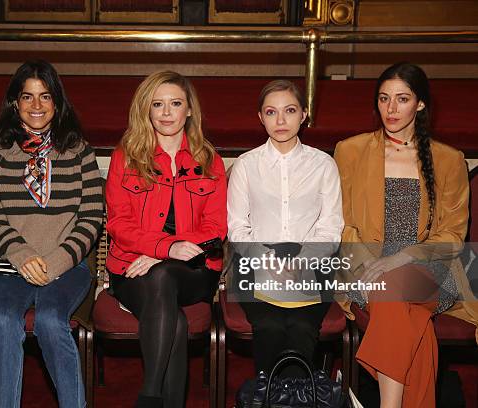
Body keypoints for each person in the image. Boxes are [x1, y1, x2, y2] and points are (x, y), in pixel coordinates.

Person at [334, 62, 478, 408]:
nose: (391, 109)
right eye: (384, 99)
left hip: (431, 268)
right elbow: (342, 221)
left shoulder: (448, 159)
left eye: (402, 99)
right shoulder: (351, 151)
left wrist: (402, 257)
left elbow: (453, 236)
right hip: (367, 264)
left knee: (396, 286)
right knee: (417, 328)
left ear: (421, 104)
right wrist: (378, 262)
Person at [0, 60, 104, 408]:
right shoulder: (0, 154)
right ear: (14, 103)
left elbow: (92, 215)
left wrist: (56, 260)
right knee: (3, 321)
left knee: (51, 320)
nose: (36, 106)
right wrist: (21, 256)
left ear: (57, 102)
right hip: (11, 264)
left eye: (45, 96)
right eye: (27, 97)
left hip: (67, 264)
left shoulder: (79, 151)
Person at [105, 71, 227, 408]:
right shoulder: (125, 156)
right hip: (131, 269)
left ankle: (147, 397)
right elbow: (118, 223)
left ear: (189, 110)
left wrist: (166, 254)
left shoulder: (208, 159)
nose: (167, 112)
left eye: (175, 104)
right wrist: (164, 247)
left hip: (195, 270)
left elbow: (216, 227)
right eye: (157, 104)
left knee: (162, 275)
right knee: (175, 320)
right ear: (146, 110)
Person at [227, 80, 343, 377]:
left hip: (312, 263)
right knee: (269, 326)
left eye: (289, 110)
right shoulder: (246, 165)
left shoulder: (324, 164)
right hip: (255, 263)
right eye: (271, 112)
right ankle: (271, 395)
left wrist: (302, 261)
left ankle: (294, 396)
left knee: (303, 328)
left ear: (304, 114)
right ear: (260, 117)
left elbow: (330, 228)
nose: (280, 121)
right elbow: (238, 228)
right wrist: (266, 261)